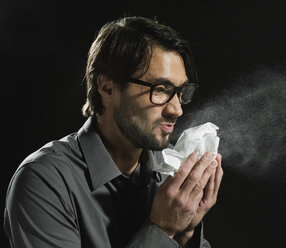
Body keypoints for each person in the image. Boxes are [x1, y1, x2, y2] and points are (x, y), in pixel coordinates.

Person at [4, 16, 223, 248]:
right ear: (107, 87)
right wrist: (162, 229)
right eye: (160, 90)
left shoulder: (169, 176)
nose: (177, 109)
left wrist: (186, 234)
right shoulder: (44, 182)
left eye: (180, 92)